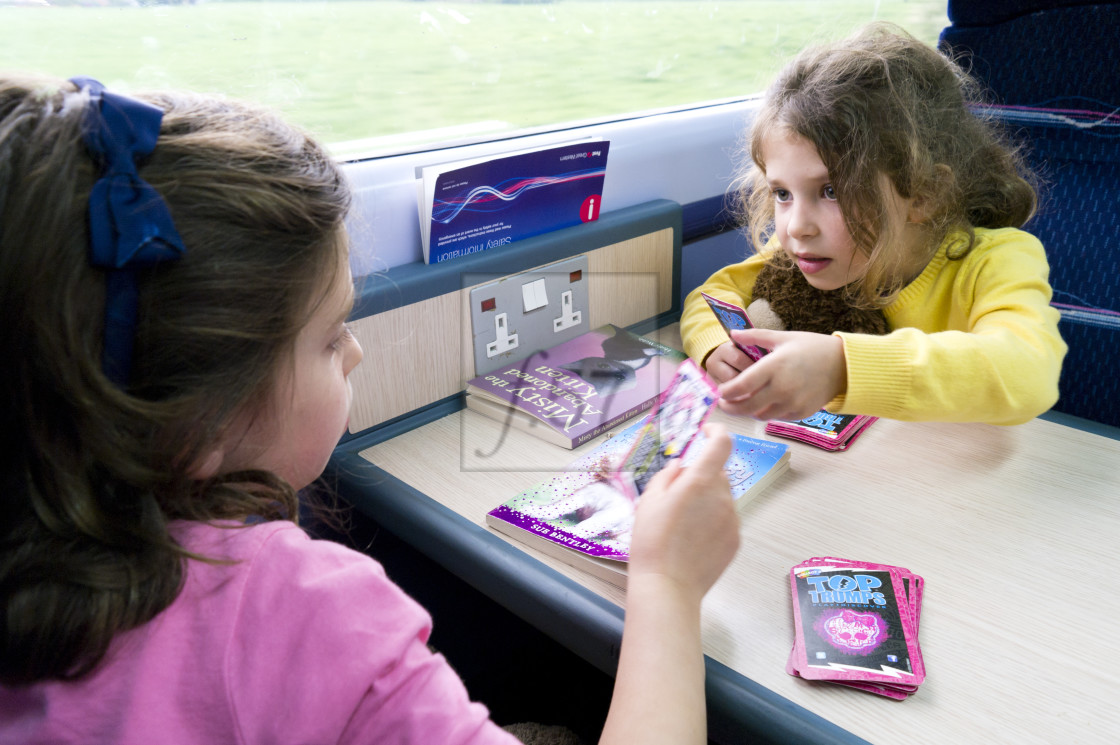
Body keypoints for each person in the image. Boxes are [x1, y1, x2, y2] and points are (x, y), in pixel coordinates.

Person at [0, 74, 740, 744]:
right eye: (329, 338)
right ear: (196, 420)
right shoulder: (301, 616)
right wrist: (666, 585)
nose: (355, 352)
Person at [680, 23, 1066, 425]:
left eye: (831, 191)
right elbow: (711, 297)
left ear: (923, 195)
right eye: (782, 194)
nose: (796, 227)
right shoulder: (808, 254)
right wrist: (716, 347)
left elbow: (1027, 371)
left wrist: (844, 367)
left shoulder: (994, 262)